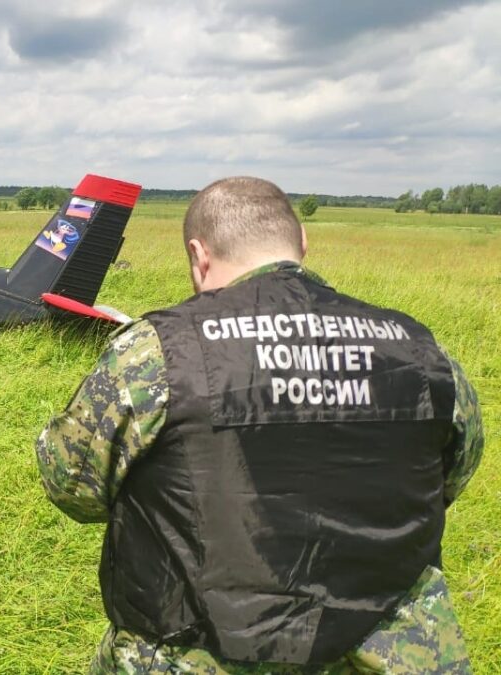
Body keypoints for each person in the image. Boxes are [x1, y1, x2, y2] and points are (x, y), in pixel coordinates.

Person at [35, 177, 484, 673]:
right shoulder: (420, 350)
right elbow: (452, 473)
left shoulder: (157, 351)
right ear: (302, 244)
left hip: (193, 648)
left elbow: (71, 484)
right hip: (393, 652)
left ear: (198, 255)